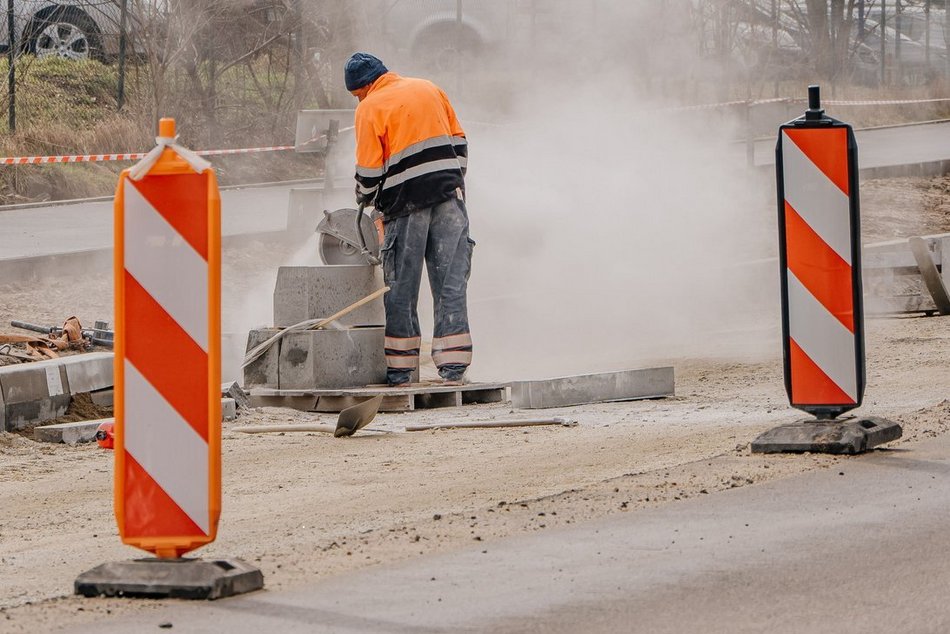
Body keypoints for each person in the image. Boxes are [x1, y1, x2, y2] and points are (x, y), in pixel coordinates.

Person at [345, 52, 474, 387]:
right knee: (451, 283)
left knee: (401, 286)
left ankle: (402, 372)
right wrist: (450, 183)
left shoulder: (369, 107)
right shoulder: (429, 88)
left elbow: (370, 172)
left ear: (364, 86)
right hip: (449, 199)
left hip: (405, 206)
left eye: (357, 94)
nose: (358, 99)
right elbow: (460, 143)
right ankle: (453, 368)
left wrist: (364, 196)